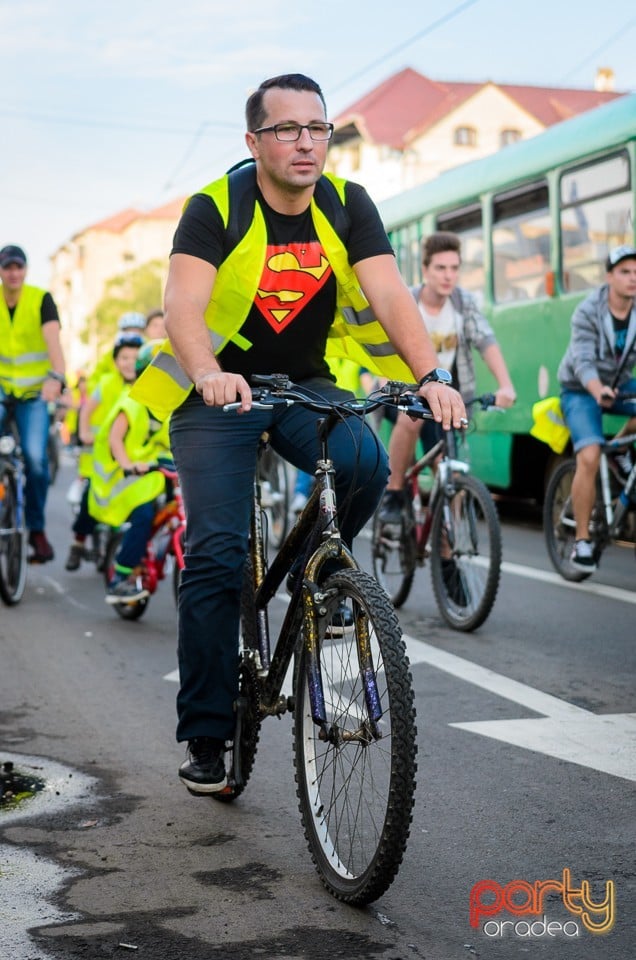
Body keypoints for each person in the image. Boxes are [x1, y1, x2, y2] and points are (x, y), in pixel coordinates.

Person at [131, 73, 465, 795]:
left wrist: (432, 375)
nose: (307, 141)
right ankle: (209, 730)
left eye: (319, 127)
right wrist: (208, 371)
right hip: (214, 391)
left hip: (301, 387)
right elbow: (182, 302)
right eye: (288, 129)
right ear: (254, 142)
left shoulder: (348, 205)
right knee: (217, 556)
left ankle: (321, 579)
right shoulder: (214, 206)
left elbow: (387, 291)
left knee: (365, 461)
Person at [379, 231, 517, 524]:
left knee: (451, 480)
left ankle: (449, 559)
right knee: (410, 417)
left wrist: (505, 384)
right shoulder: (408, 301)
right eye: (440, 268)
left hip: (442, 399)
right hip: (402, 393)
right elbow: (384, 346)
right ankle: (393, 492)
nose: (448, 276)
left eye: (454, 268)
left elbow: (486, 341)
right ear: (425, 269)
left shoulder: (462, 303)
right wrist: (387, 383)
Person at [558, 243, 636, 572]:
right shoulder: (588, 310)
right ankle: (582, 542)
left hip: (618, 384)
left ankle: (618, 451)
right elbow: (582, 360)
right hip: (580, 388)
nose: (633, 278)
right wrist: (596, 389)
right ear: (609, 277)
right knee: (588, 455)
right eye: (625, 272)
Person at [89, 340, 170, 602]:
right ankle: (120, 577)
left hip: (152, 478)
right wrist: (127, 465)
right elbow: (115, 439)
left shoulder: (169, 408)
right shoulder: (133, 402)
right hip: (122, 480)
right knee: (144, 517)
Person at [0, 244, 66, 562]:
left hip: (34, 394)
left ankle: (37, 531)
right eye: (7, 267)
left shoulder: (41, 299)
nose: (13, 273)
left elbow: (54, 342)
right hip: (1, 389)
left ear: (25, 270)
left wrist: (56, 377)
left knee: (36, 460)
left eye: (18, 267)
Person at [65, 333, 144, 571]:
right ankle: (78, 543)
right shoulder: (107, 383)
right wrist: (84, 433)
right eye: (124, 357)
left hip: (132, 457)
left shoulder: (147, 384)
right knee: (92, 499)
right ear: (115, 361)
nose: (129, 362)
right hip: (102, 457)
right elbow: (87, 410)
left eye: (135, 357)